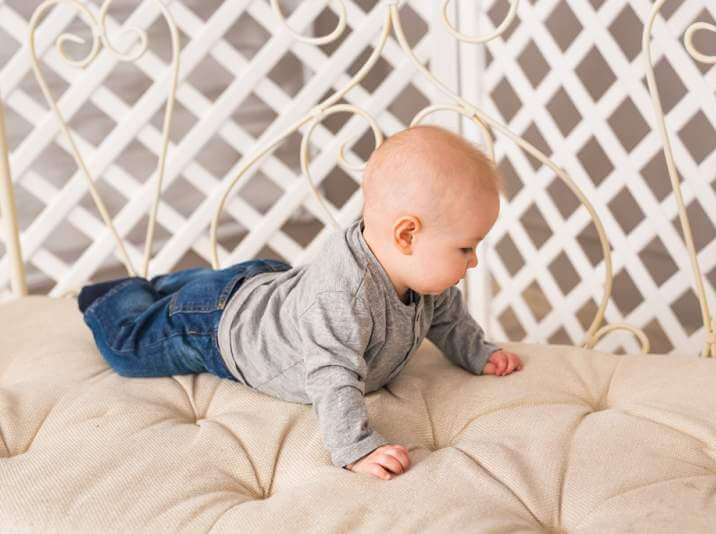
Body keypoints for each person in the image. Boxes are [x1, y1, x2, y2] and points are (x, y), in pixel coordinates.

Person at [78, 125, 524, 481]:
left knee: (211, 290)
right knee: (129, 348)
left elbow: (448, 319)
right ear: (407, 235)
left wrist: (478, 353)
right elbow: (332, 373)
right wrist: (356, 447)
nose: (474, 261)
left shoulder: (423, 278)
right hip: (221, 329)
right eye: (466, 248)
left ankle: (177, 285)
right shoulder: (344, 298)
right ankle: (119, 292)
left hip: (270, 286)